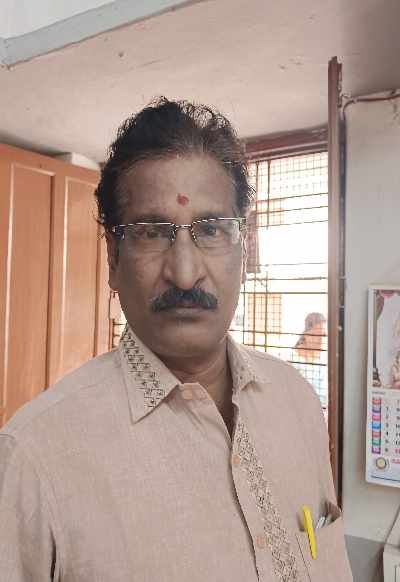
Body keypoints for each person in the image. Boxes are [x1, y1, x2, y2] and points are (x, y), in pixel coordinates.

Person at [0, 98, 353, 581]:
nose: (185, 273)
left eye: (212, 229)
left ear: (245, 248)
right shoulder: (35, 458)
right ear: (113, 258)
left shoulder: (297, 401)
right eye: (151, 232)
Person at [292, 312, 328, 408]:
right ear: (306, 334)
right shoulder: (294, 359)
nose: (321, 340)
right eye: (317, 335)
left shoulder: (324, 356)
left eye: (324, 335)